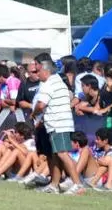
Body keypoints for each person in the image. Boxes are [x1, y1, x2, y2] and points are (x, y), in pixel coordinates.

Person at [28, 56, 85, 195]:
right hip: (61, 123)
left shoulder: (48, 84)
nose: (36, 74)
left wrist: (34, 114)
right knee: (55, 155)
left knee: (62, 154)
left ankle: (78, 185)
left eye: (38, 71)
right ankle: (54, 185)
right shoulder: (58, 81)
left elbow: (41, 105)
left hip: (57, 124)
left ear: (45, 71)